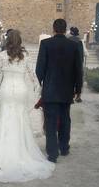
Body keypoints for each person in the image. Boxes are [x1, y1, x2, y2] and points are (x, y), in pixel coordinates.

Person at [0, 30, 54, 182]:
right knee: (20, 119)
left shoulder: (2, 56)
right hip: (20, 90)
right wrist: (37, 89)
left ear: (7, 41)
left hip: (6, 89)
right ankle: (21, 152)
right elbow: (33, 76)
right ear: (20, 41)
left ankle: (2, 156)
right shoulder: (25, 56)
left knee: (5, 119)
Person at [36, 18, 84, 163]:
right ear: (65, 29)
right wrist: (78, 88)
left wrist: (39, 86)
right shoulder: (74, 45)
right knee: (65, 119)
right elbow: (78, 69)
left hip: (50, 89)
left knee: (50, 122)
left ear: (53, 29)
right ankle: (64, 147)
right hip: (66, 89)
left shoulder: (45, 44)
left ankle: (52, 153)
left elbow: (40, 69)